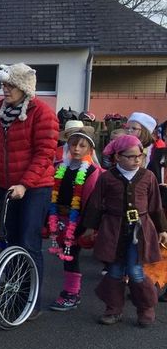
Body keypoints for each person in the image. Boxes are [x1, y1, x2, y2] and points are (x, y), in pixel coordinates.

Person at [0, 63, 59, 300]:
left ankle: (29, 299)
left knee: (28, 242)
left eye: (11, 85)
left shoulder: (43, 113)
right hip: (7, 186)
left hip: (35, 188)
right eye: (4, 85)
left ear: (24, 88)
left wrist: (25, 184)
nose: (5, 89)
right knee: (9, 240)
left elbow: (44, 154)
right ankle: (13, 292)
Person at [81, 134, 167, 327]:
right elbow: (96, 203)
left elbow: (155, 205)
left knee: (136, 271)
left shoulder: (148, 176)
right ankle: (113, 309)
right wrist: (90, 227)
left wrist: (162, 229)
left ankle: (145, 308)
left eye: (140, 156)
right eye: (131, 156)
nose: (136, 160)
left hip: (140, 231)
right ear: (118, 157)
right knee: (114, 270)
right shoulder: (107, 177)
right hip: (113, 230)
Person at [45, 121, 101, 312]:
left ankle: (72, 293)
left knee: (71, 255)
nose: (76, 149)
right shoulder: (61, 167)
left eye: (82, 146)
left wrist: (85, 226)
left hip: (77, 221)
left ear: (90, 149)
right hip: (60, 218)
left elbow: (91, 202)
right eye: (73, 144)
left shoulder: (92, 172)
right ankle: (70, 292)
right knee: (65, 255)